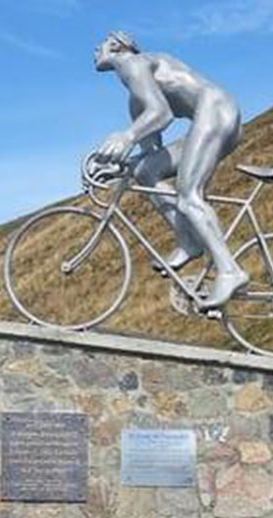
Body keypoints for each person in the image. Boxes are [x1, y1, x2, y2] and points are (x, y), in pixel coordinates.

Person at [93, 31, 249, 311]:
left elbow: (161, 114)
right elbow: (151, 155)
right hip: (215, 115)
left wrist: (126, 136)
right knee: (145, 173)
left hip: (216, 109)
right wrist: (120, 168)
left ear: (117, 45)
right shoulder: (136, 96)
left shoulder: (132, 63)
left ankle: (230, 271)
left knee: (189, 196)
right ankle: (188, 240)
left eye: (101, 44)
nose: (96, 49)